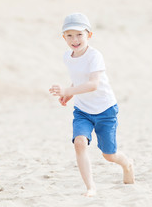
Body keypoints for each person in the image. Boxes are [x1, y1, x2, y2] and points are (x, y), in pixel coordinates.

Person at [49, 13, 135, 197]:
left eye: (79, 34)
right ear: (64, 37)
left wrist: (66, 91)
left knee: (109, 155)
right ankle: (90, 187)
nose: (75, 40)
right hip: (83, 111)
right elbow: (78, 79)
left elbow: (93, 84)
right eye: (69, 35)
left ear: (89, 35)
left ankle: (127, 163)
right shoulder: (67, 57)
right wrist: (69, 95)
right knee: (79, 143)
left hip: (105, 110)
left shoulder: (94, 56)